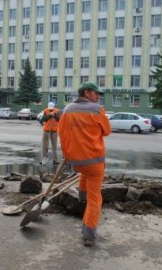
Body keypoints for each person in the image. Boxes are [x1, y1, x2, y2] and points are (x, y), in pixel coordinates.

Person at [58, 82, 111, 247]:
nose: (98, 97)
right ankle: (89, 235)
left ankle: (82, 197)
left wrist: (68, 155)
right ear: (87, 92)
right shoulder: (97, 110)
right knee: (95, 200)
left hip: (76, 161)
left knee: (84, 175)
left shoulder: (67, 110)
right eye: (96, 94)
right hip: (94, 162)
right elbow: (107, 131)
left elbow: (62, 133)